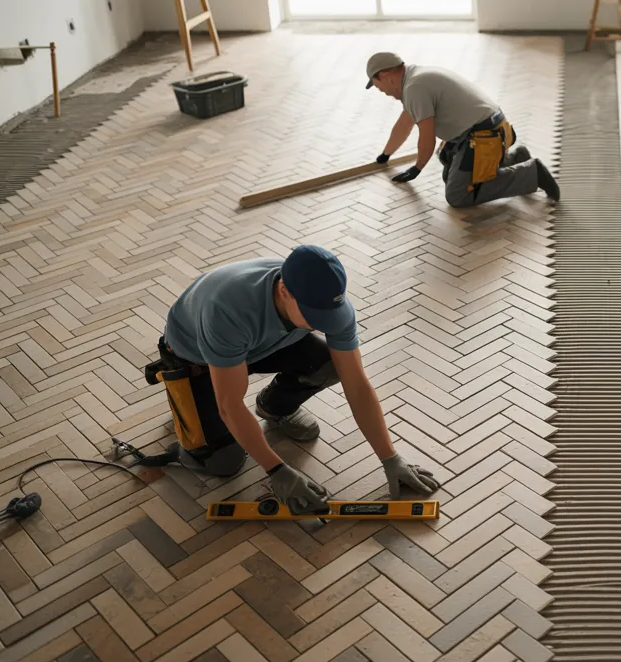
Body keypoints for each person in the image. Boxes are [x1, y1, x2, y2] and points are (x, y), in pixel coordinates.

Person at [152, 244, 442, 514]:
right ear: (284, 291)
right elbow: (230, 404)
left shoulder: (327, 303)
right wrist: (277, 471)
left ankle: (273, 407)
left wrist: (390, 457)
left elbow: (356, 383)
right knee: (222, 462)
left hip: (264, 342)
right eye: (314, 316)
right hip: (198, 357)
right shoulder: (227, 310)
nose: (324, 324)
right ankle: (192, 446)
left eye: (328, 315)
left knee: (329, 366)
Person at [364, 51, 559, 209]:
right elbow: (404, 124)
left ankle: (532, 173)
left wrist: (417, 168)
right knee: (449, 174)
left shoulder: (414, 87)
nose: (382, 92)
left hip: (483, 136)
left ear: (385, 76)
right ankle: (516, 158)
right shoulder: (415, 78)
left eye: (378, 85)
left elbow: (427, 136)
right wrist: (385, 155)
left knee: (459, 195)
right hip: (489, 130)